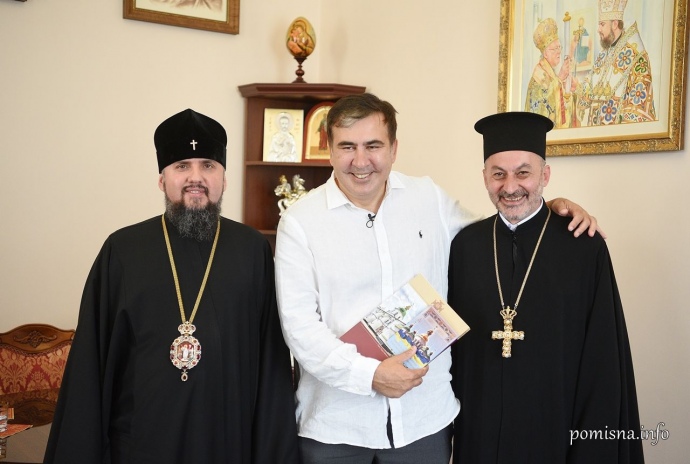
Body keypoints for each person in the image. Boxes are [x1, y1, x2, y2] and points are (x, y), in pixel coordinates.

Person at [274, 93, 599, 464]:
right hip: (337, 426)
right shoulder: (300, 222)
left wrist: (546, 209)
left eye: (373, 146)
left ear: (394, 149)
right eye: (347, 146)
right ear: (329, 150)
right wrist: (370, 374)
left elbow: (493, 233)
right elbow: (300, 329)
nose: (361, 161)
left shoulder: (427, 197)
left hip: (424, 423)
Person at [44, 109, 300, 463]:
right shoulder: (123, 250)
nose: (196, 177)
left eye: (208, 165)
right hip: (141, 443)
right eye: (182, 166)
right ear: (162, 180)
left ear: (224, 179)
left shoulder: (252, 249)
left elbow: (271, 367)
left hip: (228, 442)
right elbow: (92, 363)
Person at [449, 111, 644, 463]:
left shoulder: (583, 246)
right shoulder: (465, 245)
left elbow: (603, 358)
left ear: (545, 175)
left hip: (556, 430)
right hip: (479, 428)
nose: (510, 187)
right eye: (498, 174)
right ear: (485, 177)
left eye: (523, 172)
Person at [576, 0, 656, 125]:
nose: (598, 29)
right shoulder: (604, 53)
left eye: (602, 24)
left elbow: (638, 107)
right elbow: (588, 89)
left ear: (614, 24)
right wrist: (577, 87)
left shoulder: (637, 56)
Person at [524, 18, 576, 128]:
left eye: (559, 47)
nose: (559, 52)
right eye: (554, 49)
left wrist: (569, 89)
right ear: (545, 54)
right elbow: (542, 104)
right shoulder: (539, 74)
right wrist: (560, 78)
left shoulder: (551, 72)